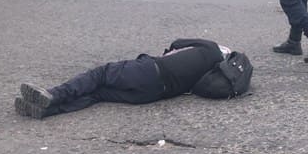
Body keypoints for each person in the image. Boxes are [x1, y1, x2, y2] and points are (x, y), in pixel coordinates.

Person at [14, 39, 231, 119]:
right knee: (98, 94)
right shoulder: (212, 71)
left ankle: (53, 94)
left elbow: (176, 43)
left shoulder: (210, 47)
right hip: (152, 95)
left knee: (99, 74)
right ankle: (46, 110)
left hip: (149, 70)